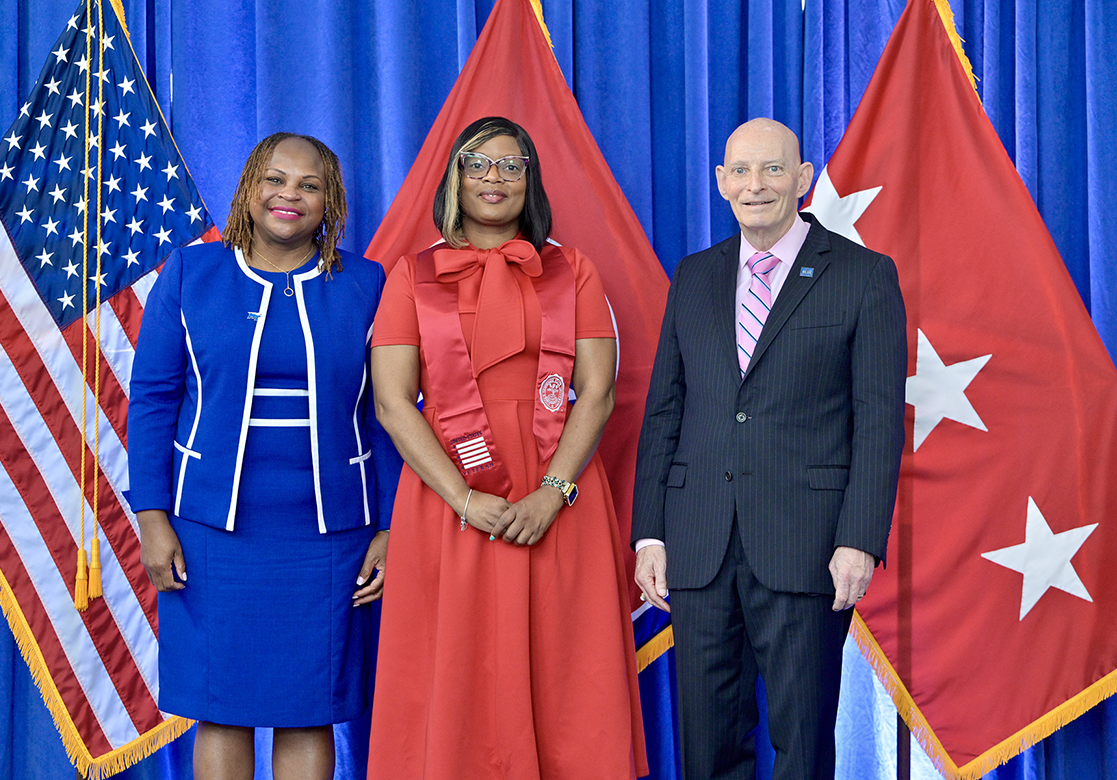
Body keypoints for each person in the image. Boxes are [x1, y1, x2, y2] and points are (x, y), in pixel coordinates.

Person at [367, 116, 648, 779]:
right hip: (448, 492)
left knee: (562, 660)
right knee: (456, 660)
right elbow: (391, 401)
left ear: (531, 179)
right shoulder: (411, 275)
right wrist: (462, 497)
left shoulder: (572, 269)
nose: (494, 179)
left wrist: (553, 492)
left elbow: (598, 392)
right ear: (455, 178)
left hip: (555, 487)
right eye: (478, 165)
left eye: (511, 166)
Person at [632, 118, 907, 780]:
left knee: (802, 745)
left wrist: (860, 540)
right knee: (707, 746)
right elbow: (666, 408)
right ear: (722, 182)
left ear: (803, 179)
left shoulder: (864, 276)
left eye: (773, 169)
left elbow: (878, 419)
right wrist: (650, 536)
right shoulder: (693, 276)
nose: (756, 185)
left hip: (808, 546)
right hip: (699, 546)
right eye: (741, 172)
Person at [127, 132, 401, 780]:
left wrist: (390, 527)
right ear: (249, 189)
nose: (290, 196)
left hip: (330, 536)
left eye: (309, 185)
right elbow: (152, 399)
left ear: (330, 201)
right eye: (276, 180)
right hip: (210, 533)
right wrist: (152, 516)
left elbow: (389, 415)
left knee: (308, 708)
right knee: (223, 709)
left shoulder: (367, 284)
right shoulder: (192, 275)